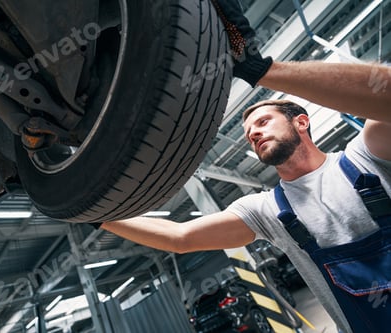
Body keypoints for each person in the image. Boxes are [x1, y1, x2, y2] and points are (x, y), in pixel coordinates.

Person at [95, 1, 391, 332]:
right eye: (250, 134)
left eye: (264, 121)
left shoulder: (367, 157)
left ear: (302, 122)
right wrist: (98, 216)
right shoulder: (266, 209)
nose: (254, 133)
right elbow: (180, 237)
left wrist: (260, 70)